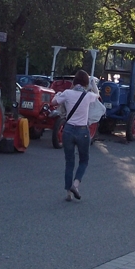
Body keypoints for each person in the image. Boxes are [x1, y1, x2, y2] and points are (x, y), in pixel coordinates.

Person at [50, 70, 95, 200]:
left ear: (74, 81)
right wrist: (93, 84)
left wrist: (58, 94)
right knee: (84, 160)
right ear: (86, 82)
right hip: (82, 131)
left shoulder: (67, 93)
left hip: (68, 130)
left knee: (69, 162)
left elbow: (53, 102)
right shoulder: (88, 95)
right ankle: (75, 185)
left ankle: (68, 194)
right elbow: (97, 95)